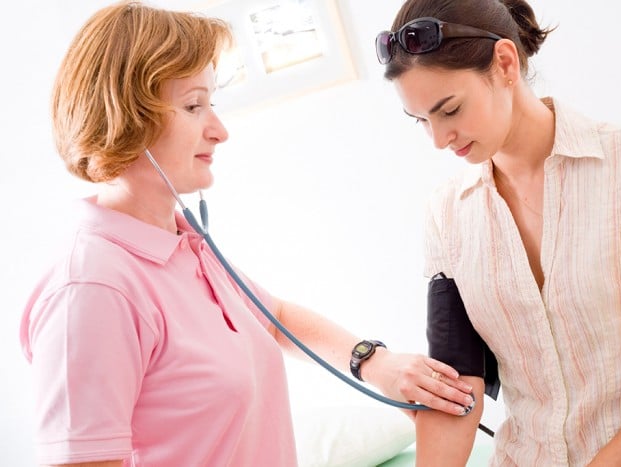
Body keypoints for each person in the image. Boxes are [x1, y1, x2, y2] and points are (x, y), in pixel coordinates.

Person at [18, 2, 476, 466]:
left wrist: (375, 362)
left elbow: (272, 314)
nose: (219, 131)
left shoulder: (181, 241)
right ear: (126, 119)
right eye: (194, 105)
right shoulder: (92, 290)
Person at [375, 0, 621, 466]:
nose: (438, 139)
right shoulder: (447, 214)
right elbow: (458, 383)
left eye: (450, 110)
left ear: (505, 63)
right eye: (422, 121)